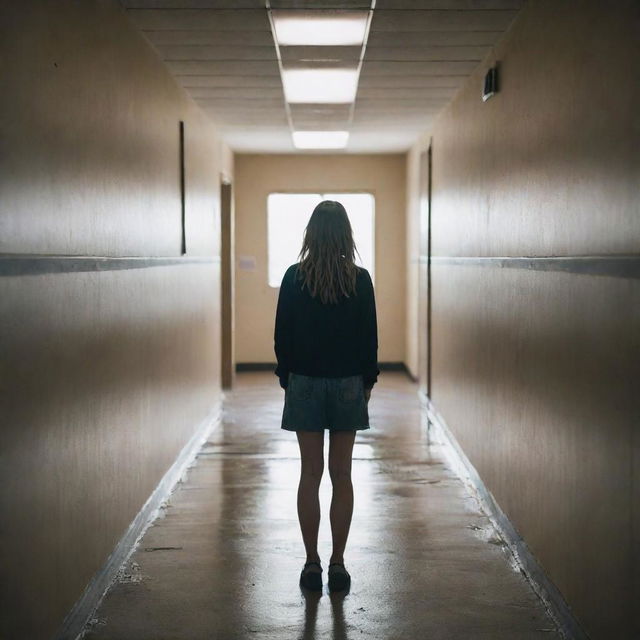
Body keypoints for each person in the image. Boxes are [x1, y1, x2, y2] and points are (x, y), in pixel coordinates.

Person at [273, 199, 379, 593]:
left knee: (310, 475)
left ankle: (311, 564)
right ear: (345, 235)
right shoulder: (360, 279)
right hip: (348, 383)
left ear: (310, 234)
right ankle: (338, 564)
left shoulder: (293, 278)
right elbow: (369, 339)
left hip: (305, 383)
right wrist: (366, 383)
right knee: (343, 476)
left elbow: (282, 336)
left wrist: (289, 380)